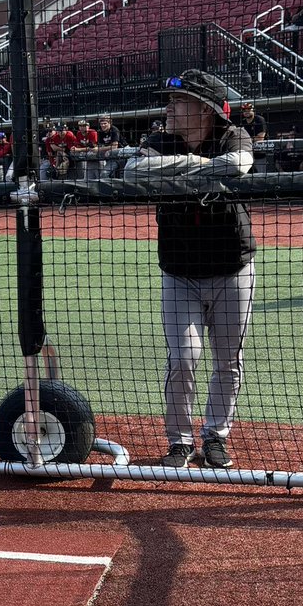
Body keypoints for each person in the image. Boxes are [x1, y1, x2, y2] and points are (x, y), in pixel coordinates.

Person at [124, 69, 255, 470]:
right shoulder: (158, 140)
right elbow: (132, 172)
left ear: (204, 110)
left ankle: (215, 437)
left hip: (233, 267)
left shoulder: (232, 135)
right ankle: (179, 440)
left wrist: (175, 168)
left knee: (227, 359)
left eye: (178, 102)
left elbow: (239, 165)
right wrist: (196, 163)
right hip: (179, 271)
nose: (169, 107)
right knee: (183, 357)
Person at [234, 103, 268, 172]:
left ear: (253, 110)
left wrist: (245, 139)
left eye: (249, 109)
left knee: (260, 177)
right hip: (247, 155)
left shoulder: (259, 120)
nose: (246, 111)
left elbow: (260, 138)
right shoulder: (242, 122)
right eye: (244, 110)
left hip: (260, 154)